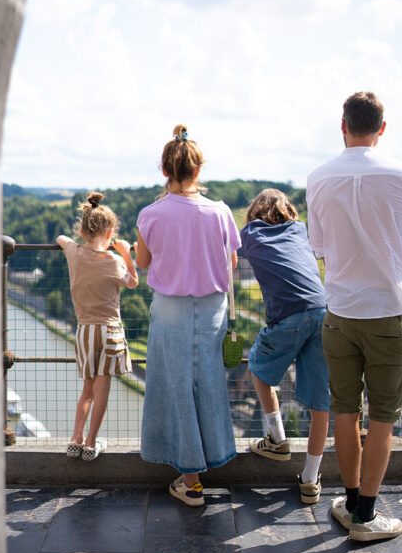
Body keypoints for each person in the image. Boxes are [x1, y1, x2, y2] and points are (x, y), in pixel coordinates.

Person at [306, 91, 402, 541]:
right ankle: (365, 517)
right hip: (387, 309)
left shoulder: (318, 177)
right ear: (382, 128)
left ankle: (352, 500)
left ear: (343, 126)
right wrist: (389, 255)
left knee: (344, 410)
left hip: (338, 310)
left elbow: (317, 244)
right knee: (383, 417)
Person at [135, 124, 240, 506]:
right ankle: (209, 463)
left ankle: (190, 478)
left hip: (171, 310)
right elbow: (230, 262)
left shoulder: (151, 214)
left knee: (175, 387)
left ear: (165, 171)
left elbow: (143, 263)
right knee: (208, 385)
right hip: (214, 310)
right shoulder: (221, 212)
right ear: (199, 171)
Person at [239, 189, 330, 505]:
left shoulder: (250, 234)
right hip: (323, 312)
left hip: (288, 317)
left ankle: (277, 439)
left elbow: (223, 248)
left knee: (259, 368)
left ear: (255, 212)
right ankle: (310, 479)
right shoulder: (300, 228)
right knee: (321, 401)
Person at [57, 191, 138, 461]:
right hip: (109, 332)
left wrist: (74, 241)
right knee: (102, 390)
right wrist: (126, 254)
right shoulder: (113, 262)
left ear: (82, 230)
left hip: (84, 332)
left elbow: (61, 239)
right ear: (111, 232)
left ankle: (75, 439)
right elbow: (133, 282)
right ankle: (91, 444)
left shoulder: (74, 252)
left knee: (87, 389)